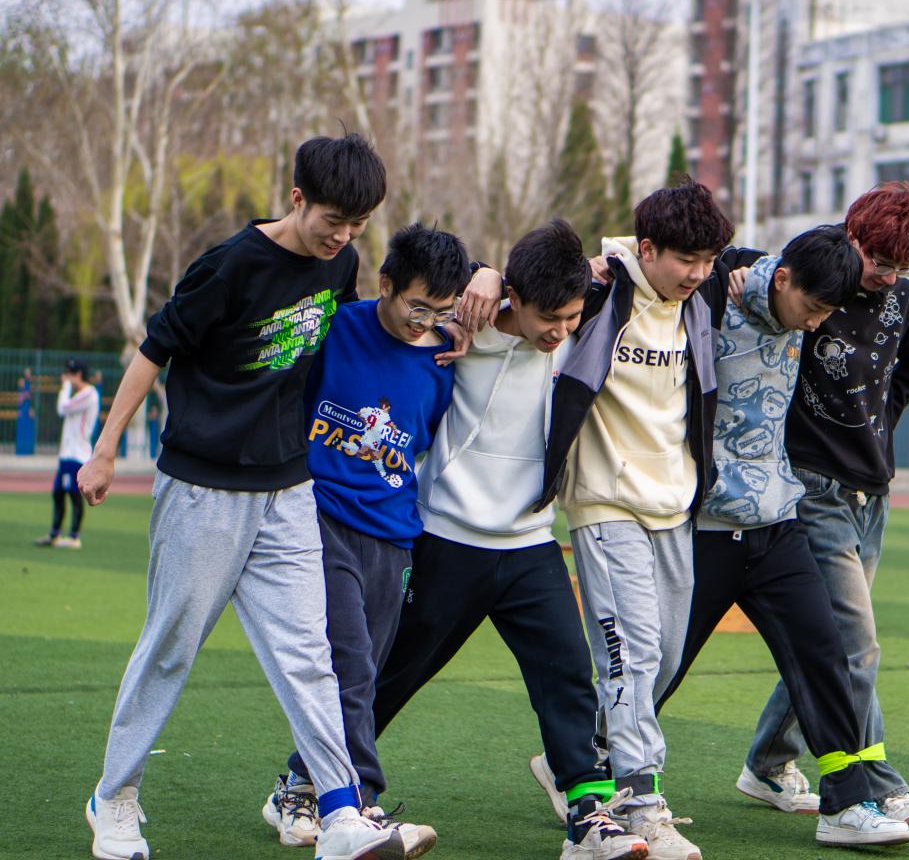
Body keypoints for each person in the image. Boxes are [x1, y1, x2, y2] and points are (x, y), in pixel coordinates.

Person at [76, 134, 422, 860]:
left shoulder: (343, 263)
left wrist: (439, 325)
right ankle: (114, 796)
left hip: (288, 488)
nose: (343, 237)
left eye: (358, 224)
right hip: (203, 489)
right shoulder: (230, 266)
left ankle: (341, 813)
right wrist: (104, 449)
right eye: (333, 220)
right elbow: (153, 351)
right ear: (297, 198)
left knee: (309, 654)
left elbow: (345, 333)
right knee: (170, 648)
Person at [372, 220, 650, 860]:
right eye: (549, 317)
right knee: (395, 672)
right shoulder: (459, 330)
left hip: (529, 542)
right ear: (513, 300)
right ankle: (307, 781)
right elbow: (426, 281)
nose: (560, 331)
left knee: (567, 672)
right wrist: (484, 274)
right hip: (447, 537)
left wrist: (498, 272)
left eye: (571, 317)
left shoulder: (579, 326)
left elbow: (637, 256)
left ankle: (588, 817)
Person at [652, 224, 909, 848]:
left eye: (827, 313)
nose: (817, 324)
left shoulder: (802, 295)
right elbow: (639, 256)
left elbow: (830, 254)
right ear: (785, 280)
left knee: (824, 653)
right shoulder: (712, 293)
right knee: (661, 663)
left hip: (776, 521)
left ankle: (846, 802)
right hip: (706, 528)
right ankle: (587, 763)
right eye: (813, 308)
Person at [532, 182, 743, 860]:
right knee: (633, 653)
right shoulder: (598, 291)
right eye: (686, 260)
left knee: (665, 659)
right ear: (646, 249)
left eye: (709, 261)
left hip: (674, 504)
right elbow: (525, 285)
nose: (698, 273)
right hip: (605, 500)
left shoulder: (701, 297)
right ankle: (639, 799)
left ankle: (577, 758)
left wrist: (741, 268)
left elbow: (769, 269)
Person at [740, 181, 909, 835]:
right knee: (856, 645)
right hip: (811, 487)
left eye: (904, 268)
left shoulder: (907, 302)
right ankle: (877, 784)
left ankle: (769, 762)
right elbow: (740, 270)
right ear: (853, 237)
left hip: (871, 491)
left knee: (826, 643)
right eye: (881, 262)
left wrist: (876, 421)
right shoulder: (809, 275)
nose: (889, 277)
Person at [261, 223, 470, 855]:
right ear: (385, 285)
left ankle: (298, 787)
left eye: (440, 311)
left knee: (364, 677)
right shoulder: (337, 328)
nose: (424, 322)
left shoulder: (443, 360)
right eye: (416, 307)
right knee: (348, 663)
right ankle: (360, 803)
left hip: (394, 537)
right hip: (320, 520)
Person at [34, 358, 100, 549]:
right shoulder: (81, 395)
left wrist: (65, 388)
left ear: (78, 374)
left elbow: (62, 408)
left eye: (70, 374)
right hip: (67, 453)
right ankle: (54, 534)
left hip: (77, 454)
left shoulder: (89, 394)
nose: (66, 377)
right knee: (58, 493)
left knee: (73, 494)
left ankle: (74, 537)